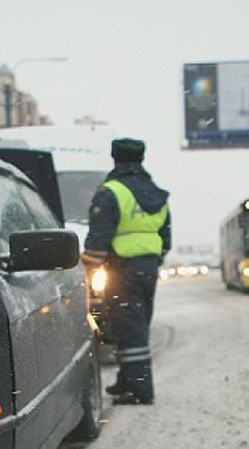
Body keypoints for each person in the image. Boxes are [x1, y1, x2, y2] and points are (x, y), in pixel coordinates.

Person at [83, 138, 170, 405]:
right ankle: (126, 380)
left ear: (115, 158)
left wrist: (84, 266)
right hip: (148, 268)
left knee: (128, 329)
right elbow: (166, 240)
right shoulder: (156, 193)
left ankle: (140, 390)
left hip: (121, 269)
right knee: (136, 324)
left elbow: (98, 242)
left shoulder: (110, 192)